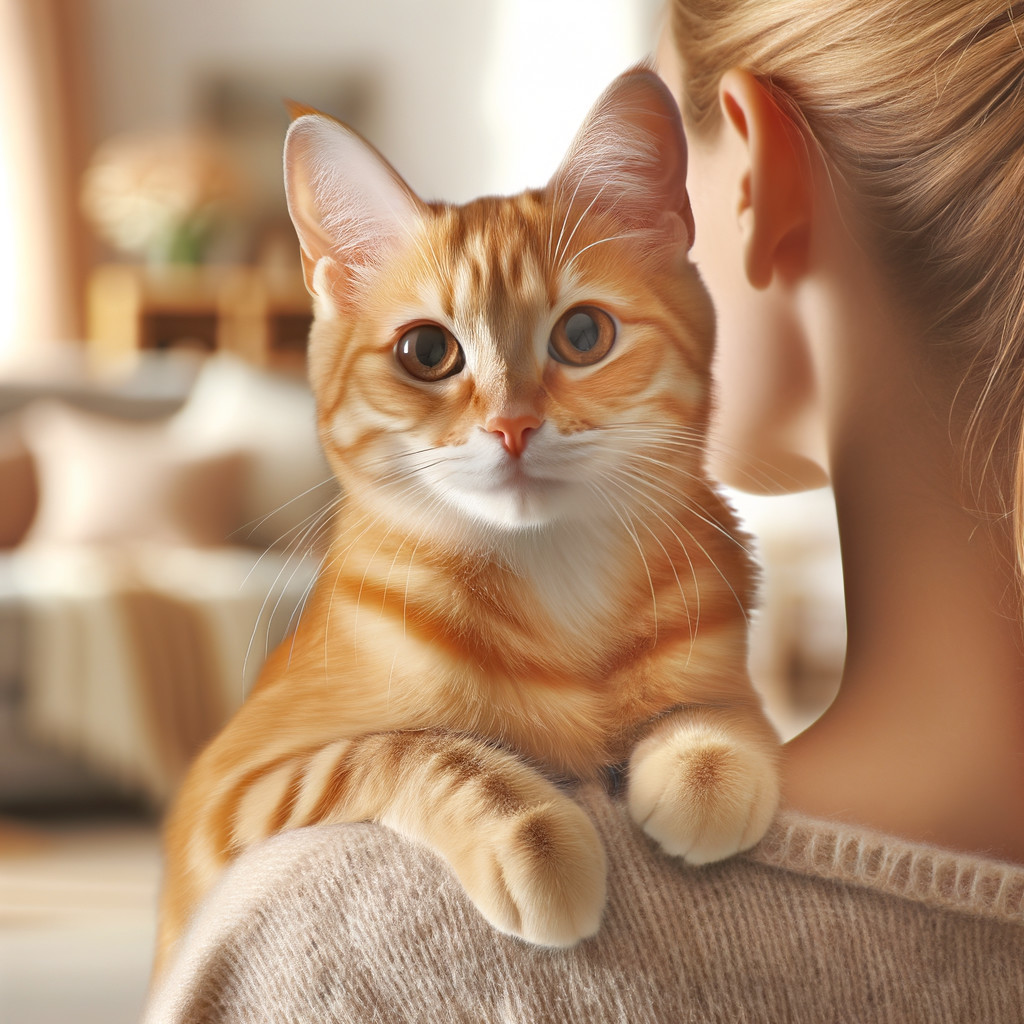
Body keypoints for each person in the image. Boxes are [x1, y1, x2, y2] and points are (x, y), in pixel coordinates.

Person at [142, 2, 1024, 1020]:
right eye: (432, 356)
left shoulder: (356, 943)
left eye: (584, 333)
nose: (510, 419)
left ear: (758, 181)